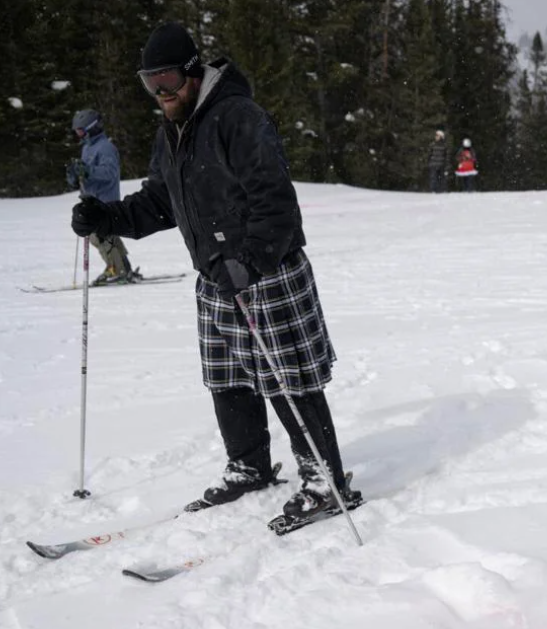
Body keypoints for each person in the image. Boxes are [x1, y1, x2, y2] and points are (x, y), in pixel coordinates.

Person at [69, 21, 360, 524]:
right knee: (227, 378)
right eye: (150, 83)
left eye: (167, 81)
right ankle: (249, 466)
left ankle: (324, 481)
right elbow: (160, 203)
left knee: (287, 378)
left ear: (192, 73)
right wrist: (107, 218)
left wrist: (249, 260)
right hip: (215, 277)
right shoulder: (172, 132)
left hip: (265, 271)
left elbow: (275, 201)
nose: (161, 93)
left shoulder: (238, 117)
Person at [67, 109, 138, 285]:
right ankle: (123, 267)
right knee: (107, 235)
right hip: (92, 199)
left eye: (81, 130)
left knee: (100, 235)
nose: (78, 134)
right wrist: (75, 175)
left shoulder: (105, 147)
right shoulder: (87, 147)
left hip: (105, 199)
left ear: (92, 128)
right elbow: (86, 174)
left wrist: (88, 170)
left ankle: (117, 269)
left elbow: (109, 173)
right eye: (77, 131)